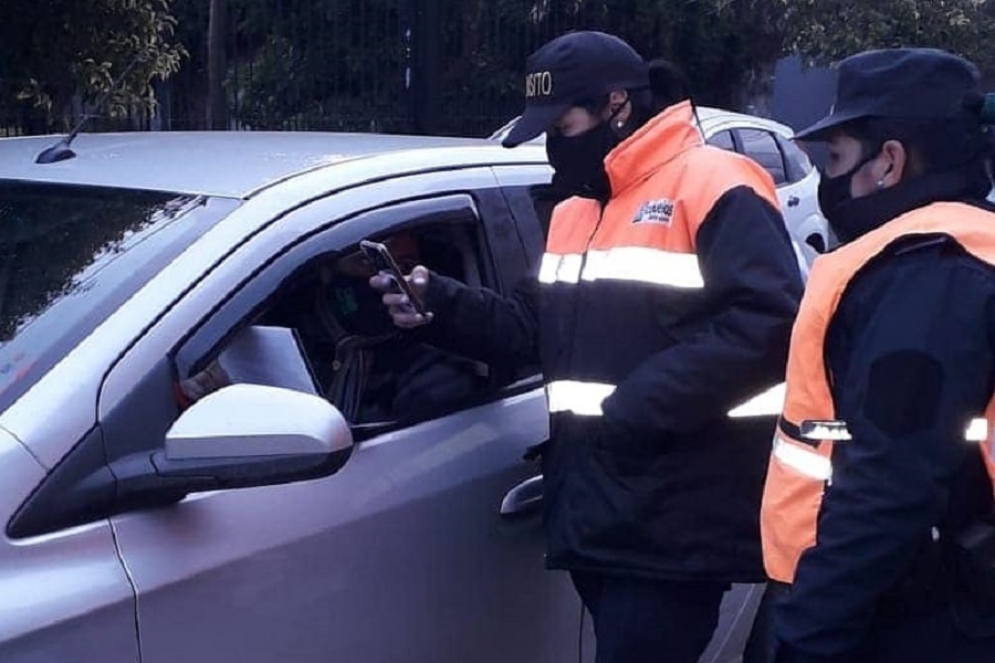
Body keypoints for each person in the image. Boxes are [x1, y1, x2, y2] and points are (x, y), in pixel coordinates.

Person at [373, 31, 803, 663]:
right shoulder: (579, 206)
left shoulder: (715, 181)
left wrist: (638, 405)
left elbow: (769, 321)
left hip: (675, 513)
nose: (553, 145)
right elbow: (534, 326)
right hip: (599, 504)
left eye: (563, 124)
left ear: (617, 105)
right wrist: (437, 302)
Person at [760, 48, 995, 663]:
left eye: (835, 158)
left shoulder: (927, 277)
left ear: (889, 161)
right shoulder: (969, 249)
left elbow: (888, 485)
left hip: (922, 614)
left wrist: (804, 639)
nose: (826, 184)